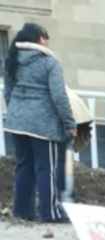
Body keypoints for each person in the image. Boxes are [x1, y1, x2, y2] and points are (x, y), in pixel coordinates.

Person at [4, 23, 75, 223]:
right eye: (45, 36)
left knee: (23, 166)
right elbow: (59, 97)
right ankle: (50, 213)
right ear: (38, 39)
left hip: (17, 123)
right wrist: (69, 123)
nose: (47, 41)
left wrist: (17, 113)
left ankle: (22, 211)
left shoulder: (13, 59)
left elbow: (7, 92)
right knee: (47, 168)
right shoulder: (49, 62)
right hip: (43, 126)